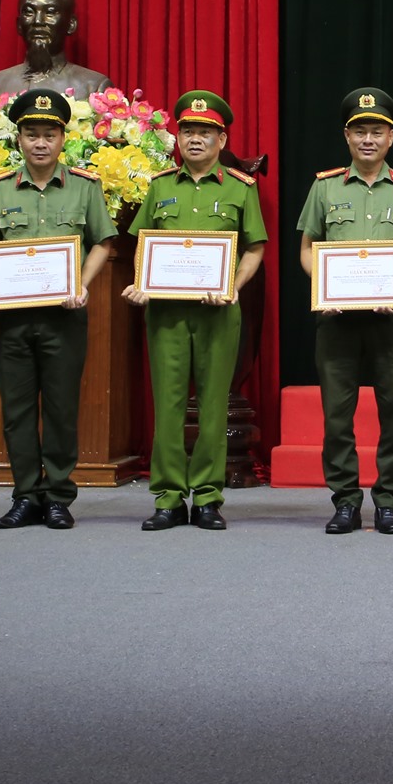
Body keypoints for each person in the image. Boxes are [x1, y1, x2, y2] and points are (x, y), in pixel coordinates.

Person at [0, 88, 118, 529]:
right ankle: (25, 496)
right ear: (18, 139)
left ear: (62, 139)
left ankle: (58, 497)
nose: (40, 143)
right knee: (16, 412)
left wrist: (83, 285)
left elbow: (104, 244)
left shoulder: (84, 188)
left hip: (64, 319)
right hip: (12, 321)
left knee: (60, 409)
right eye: (31, 134)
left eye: (49, 134)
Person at [122, 91, 267, 531]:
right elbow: (142, 243)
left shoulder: (242, 188)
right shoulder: (160, 185)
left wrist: (233, 287)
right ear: (177, 138)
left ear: (222, 139)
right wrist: (142, 284)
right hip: (166, 313)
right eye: (188, 131)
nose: (195, 139)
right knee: (166, 405)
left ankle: (206, 496)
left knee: (212, 406)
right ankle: (167, 497)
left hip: (218, 312)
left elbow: (255, 249)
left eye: (205, 132)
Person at [296, 87, 393, 535]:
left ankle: (388, 501)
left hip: (391, 319)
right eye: (360, 131)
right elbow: (306, 249)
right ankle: (345, 501)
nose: (368, 140)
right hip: (336, 319)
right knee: (337, 414)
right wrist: (325, 284)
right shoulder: (324, 187)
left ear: (390, 138)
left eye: (377, 131)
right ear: (347, 136)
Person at [0, 0, 111, 98]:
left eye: (50, 12)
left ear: (71, 24)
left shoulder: (94, 87)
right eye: (29, 12)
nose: (38, 21)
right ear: (19, 25)